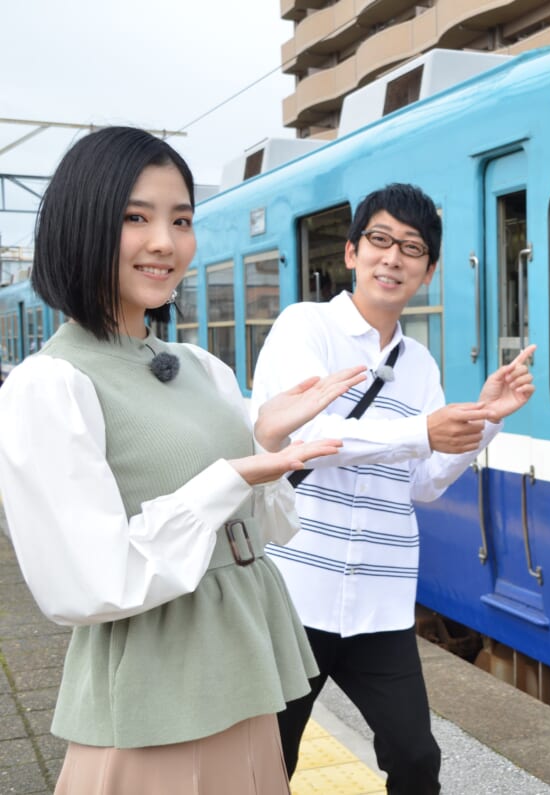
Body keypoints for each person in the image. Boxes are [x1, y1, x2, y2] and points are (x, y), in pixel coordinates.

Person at [0, 126, 367, 795]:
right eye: (135, 217)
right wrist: (230, 475)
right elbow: (83, 583)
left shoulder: (203, 367)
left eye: (182, 219)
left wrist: (267, 445)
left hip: (245, 673)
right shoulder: (49, 384)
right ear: (81, 225)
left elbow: (268, 530)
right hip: (155, 692)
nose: (165, 242)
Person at [249, 183, 535, 795]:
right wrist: (419, 430)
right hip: (298, 594)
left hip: (379, 600)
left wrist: (486, 420)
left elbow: (423, 482)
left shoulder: (421, 367)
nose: (393, 257)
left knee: (414, 758)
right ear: (351, 253)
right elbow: (302, 435)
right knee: (272, 761)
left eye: (412, 248)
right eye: (379, 240)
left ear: (428, 272)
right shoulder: (306, 327)